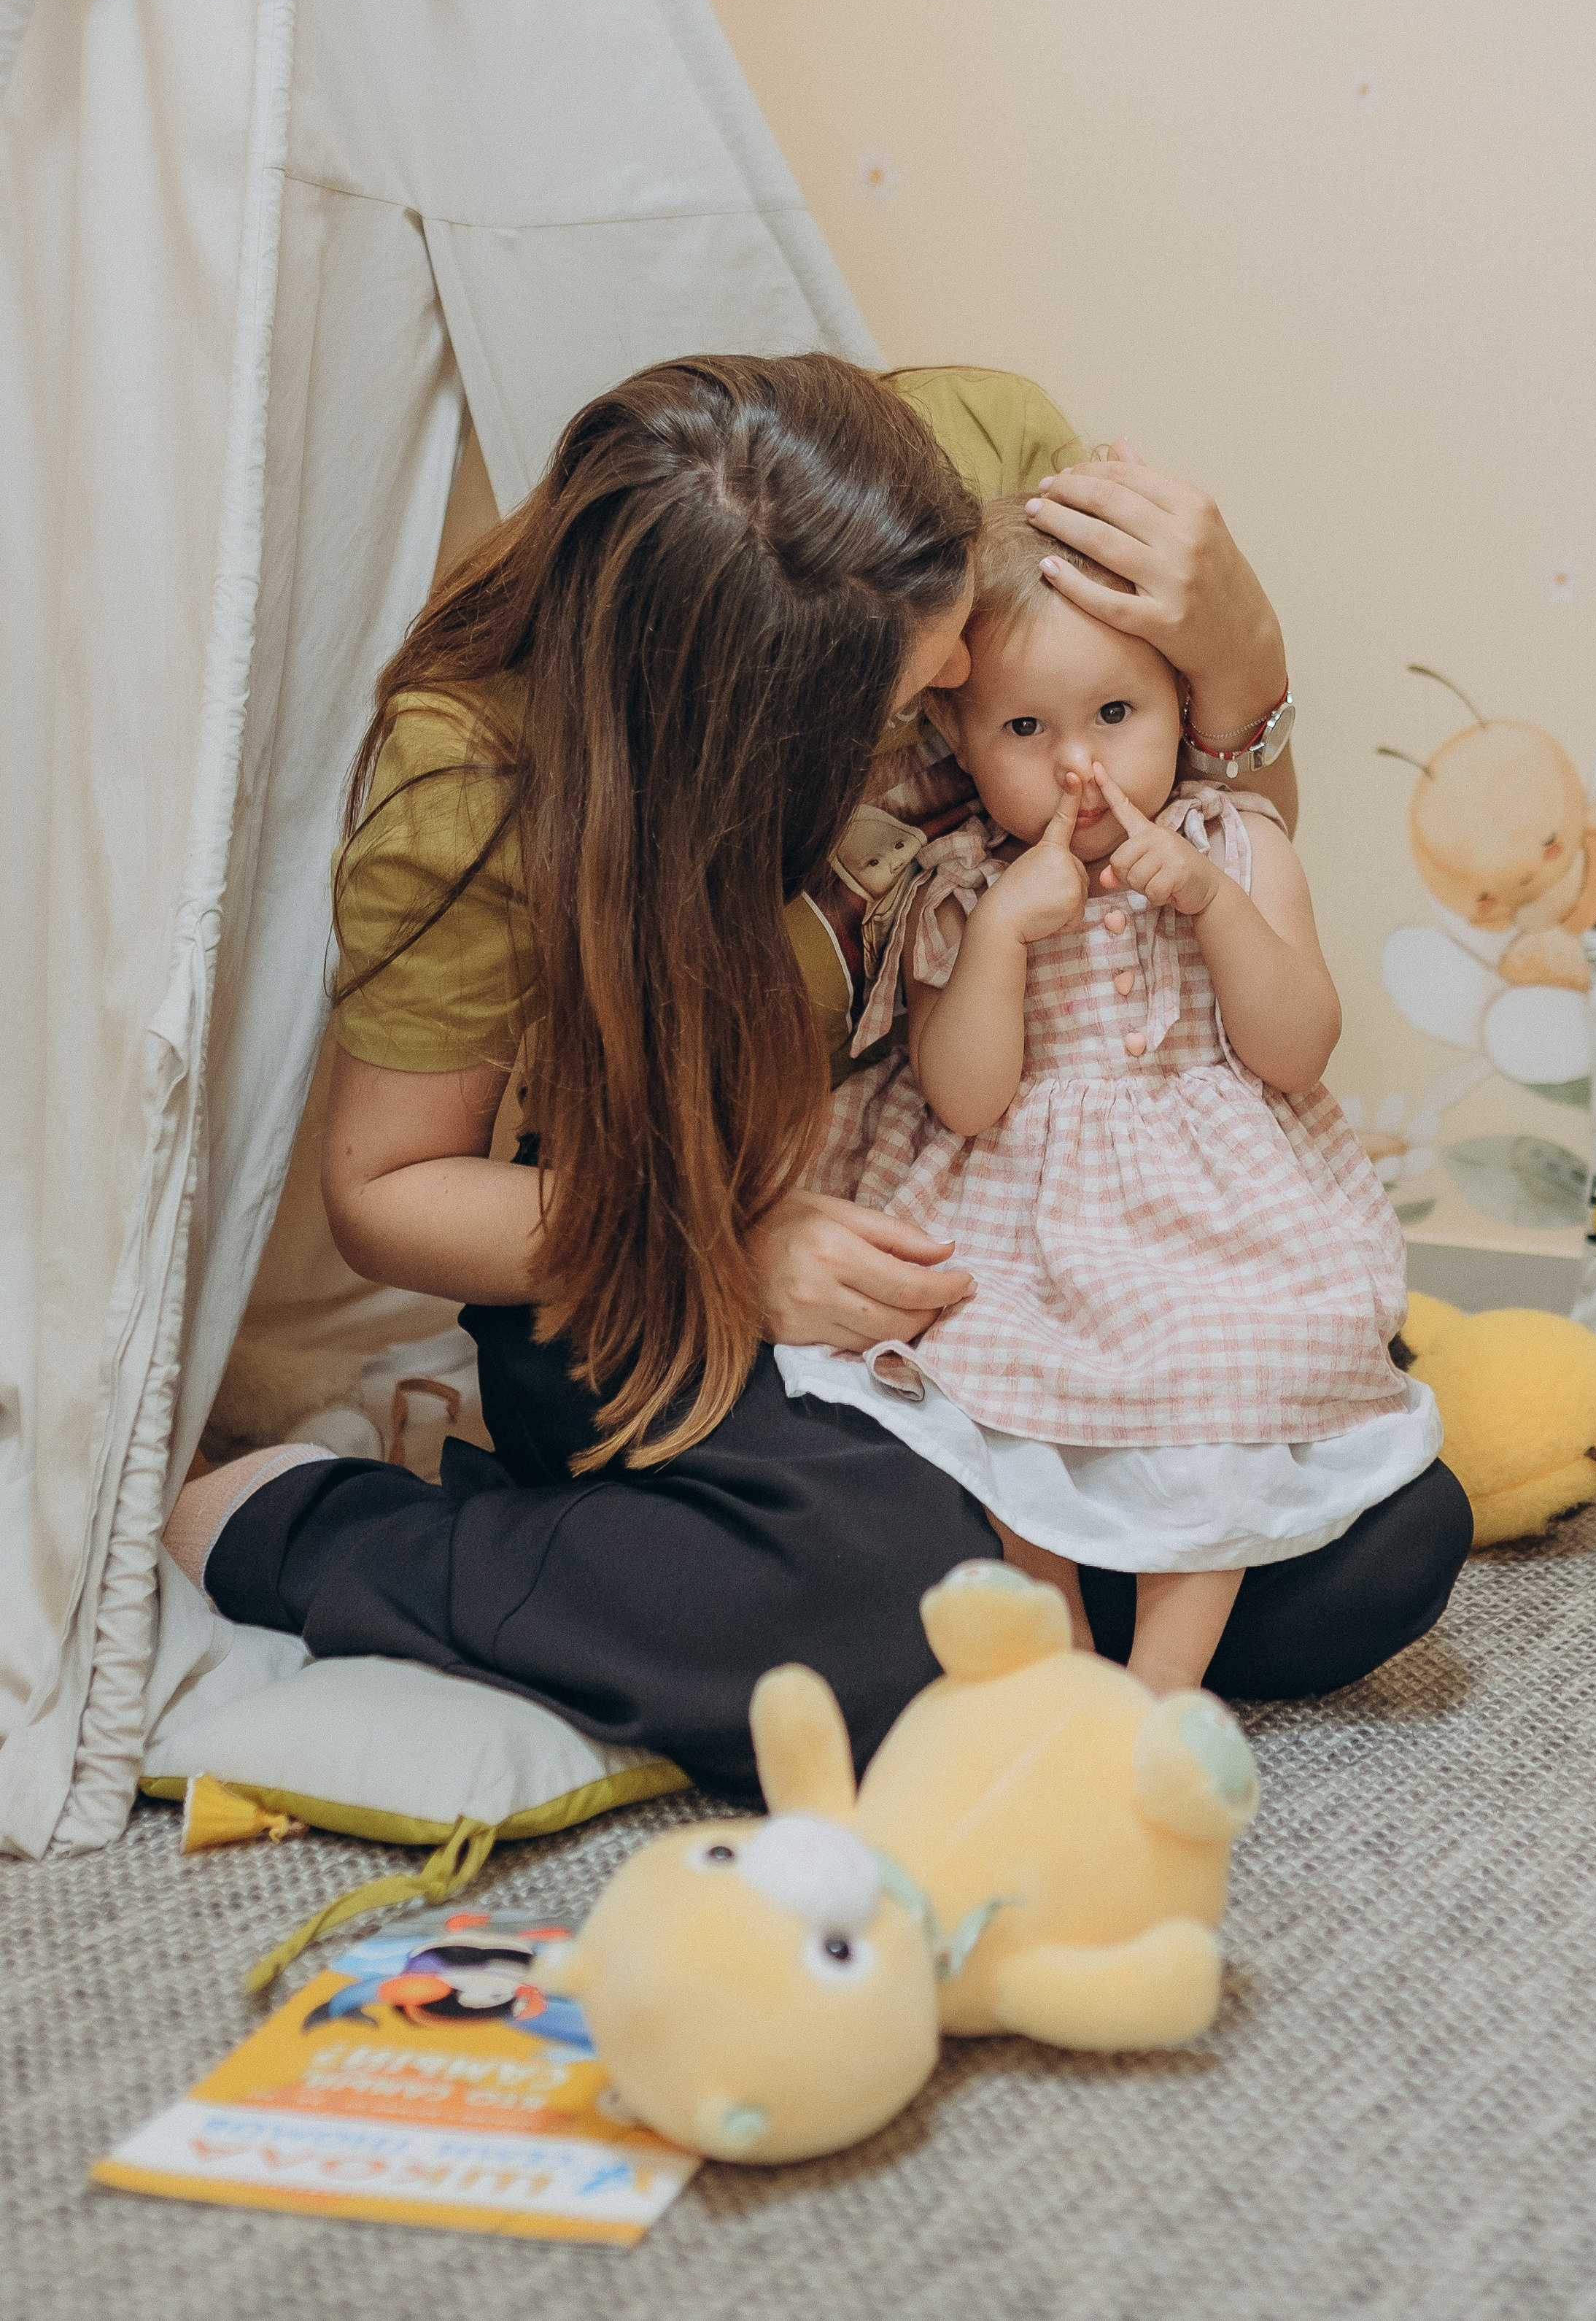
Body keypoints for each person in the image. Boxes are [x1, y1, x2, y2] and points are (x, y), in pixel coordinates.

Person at [163, 358, 1469, 1795]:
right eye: (922, 687)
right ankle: (336, 1529)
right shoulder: (474, 785)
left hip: (995, 1233)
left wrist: (1244, 650)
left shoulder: (970, 466)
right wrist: (719, 1251)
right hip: (643, 1260)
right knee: (888, 1617)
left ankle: (1004, 1612)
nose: (971, 681)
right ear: (752, 741)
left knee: (1377, 1539)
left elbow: (1208, 842)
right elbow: (387, 1193)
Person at [779, 500, 1447, 1697]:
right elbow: (966, 1100)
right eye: (1026, 728)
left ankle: (1166, 1686)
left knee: (1238, 1370)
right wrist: (999, 939)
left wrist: (1213, 906)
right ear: (958, 735)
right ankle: (1066, 1664)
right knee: (992, 1393)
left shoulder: (1237, 843)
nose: (1078, 763)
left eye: (1117, 716)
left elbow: (1299, 1051)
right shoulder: (955, 882)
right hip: (1023, 1225)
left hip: (1213, 1229)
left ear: (1182, 708)